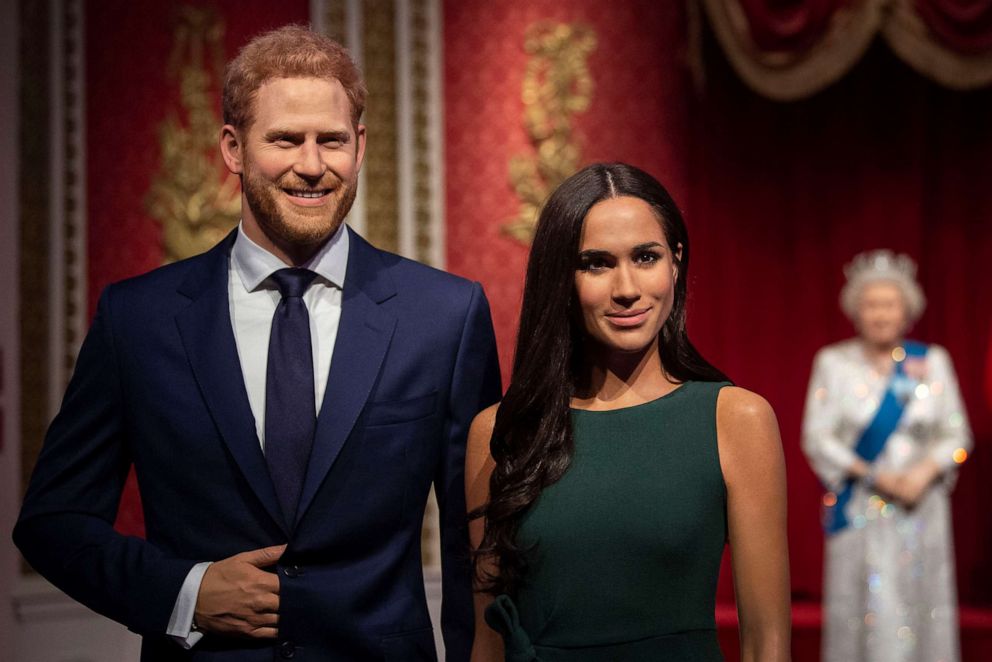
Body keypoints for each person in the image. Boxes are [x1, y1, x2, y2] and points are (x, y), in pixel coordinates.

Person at [14, 25, 501, 661]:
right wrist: (185, 591)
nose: (310, 164)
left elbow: (479, 547)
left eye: (331, 140)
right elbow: (53, 523)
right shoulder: (138, 318)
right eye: (284, 139)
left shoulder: (445, 314)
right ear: (233, 149)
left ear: (359, 147)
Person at [465, 163, 791, 661]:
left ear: (676, 263)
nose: (626, 287)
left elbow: (767, 643)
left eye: (646, 257)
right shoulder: (501, 430)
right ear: (562, 279)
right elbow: (486, 645)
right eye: (596, 263)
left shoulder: (736, 419)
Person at [802, 249, 972, 662]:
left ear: (907, 310)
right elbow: (817, 437)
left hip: (921, 505)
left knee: (919, 602)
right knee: (862, 606)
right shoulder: (833, 363)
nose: (880, 314)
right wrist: (876, 476)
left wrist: (923, 472)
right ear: (855, 311)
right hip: (861, 504)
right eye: (871, 304)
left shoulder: (932, 362)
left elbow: (958, 433)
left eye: (889, 304)